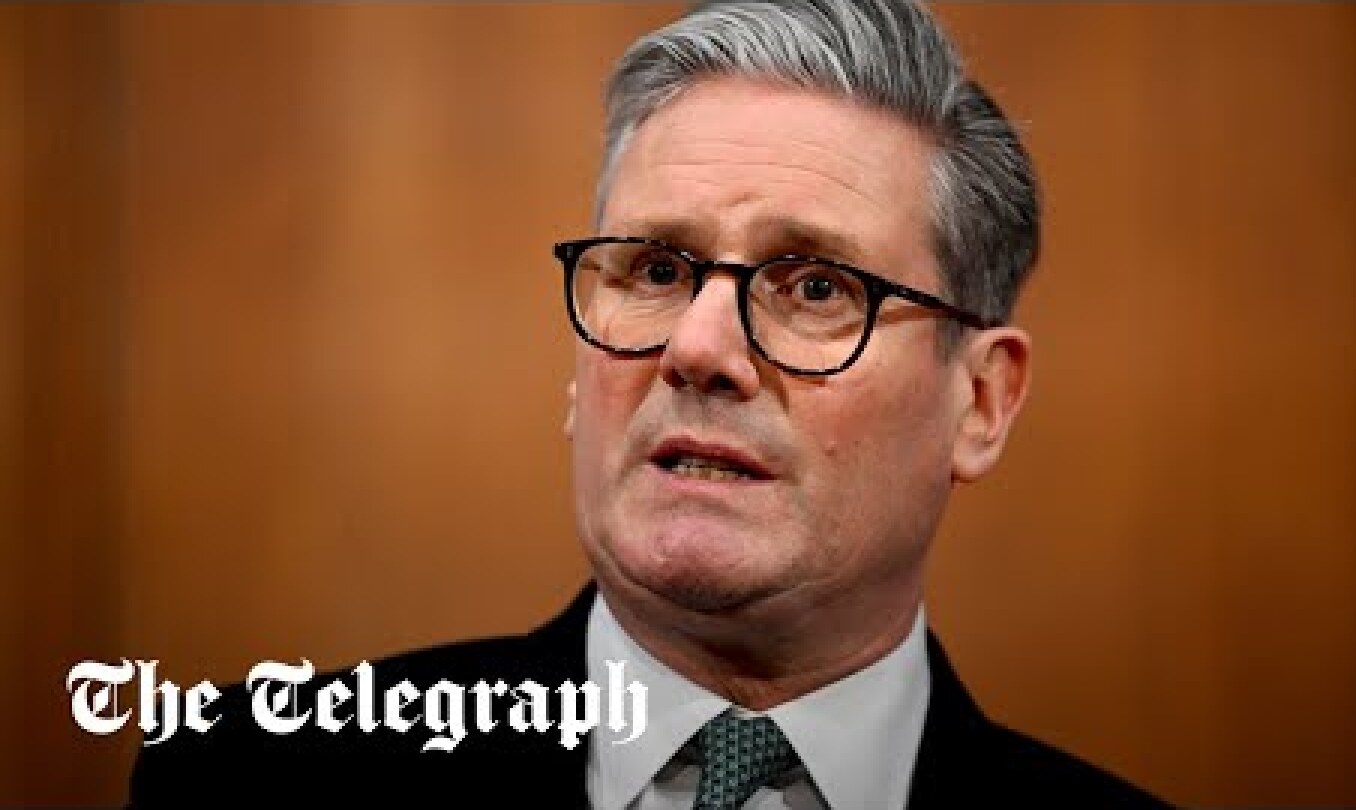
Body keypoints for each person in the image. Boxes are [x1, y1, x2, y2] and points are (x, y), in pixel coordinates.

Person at [127, 1, 1172, 807]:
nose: (698, 349)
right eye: (658, 271)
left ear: (980, 402)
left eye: (817, 288)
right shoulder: (250, 783)